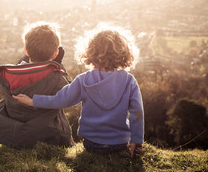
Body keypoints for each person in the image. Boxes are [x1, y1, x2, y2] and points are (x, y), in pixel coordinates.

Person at [13, 26, 144, 157]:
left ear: (91, 51)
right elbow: (137, 114)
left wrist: (33, 101)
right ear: (124, 53)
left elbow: (60, 100)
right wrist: (136, 141)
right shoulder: (129, 81)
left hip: (92, 144)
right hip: (119, 143)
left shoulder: (84, 80)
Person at [0, 21, 74, 149]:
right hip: (48, 133)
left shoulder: (8, 75)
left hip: (14, 129)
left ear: (25, 50)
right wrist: (59, 64)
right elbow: (68, 93)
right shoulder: (57, 76)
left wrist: (24, 59)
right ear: (55, 53)